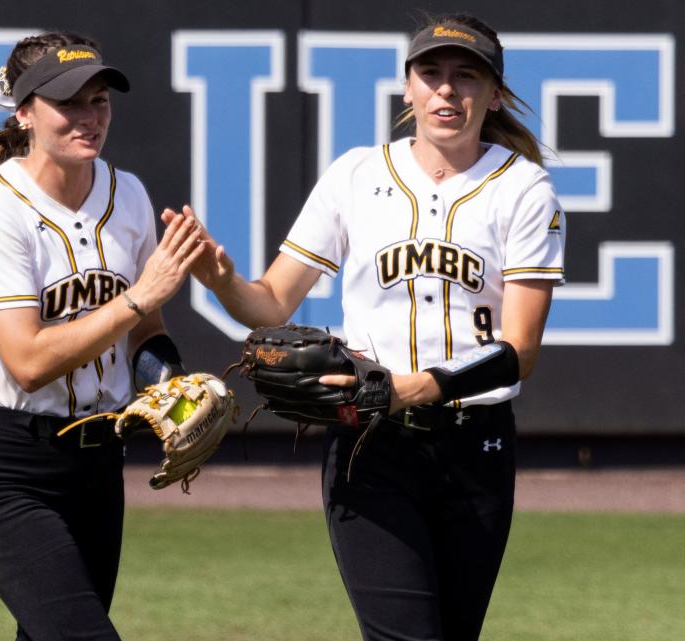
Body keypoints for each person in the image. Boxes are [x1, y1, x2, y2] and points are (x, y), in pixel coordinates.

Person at [170, 13, 565, 641]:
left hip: (477, 449)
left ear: (494, 94)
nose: (446, 90)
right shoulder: (357, 174)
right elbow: (272, 302)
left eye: (466, 77)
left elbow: (519, 351)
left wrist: (415, 387)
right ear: (406, 87)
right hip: (369, 446)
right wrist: (222, 282)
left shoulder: (523, 189)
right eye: (430, 73)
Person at [0, 31, 204, 641]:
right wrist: (136, 297)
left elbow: (145, 331)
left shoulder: (127, 194)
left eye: (99, 99)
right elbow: (26, 361)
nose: (89, 116)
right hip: (7, 466)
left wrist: (172, 387)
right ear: (24, 112)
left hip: (98, 463)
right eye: (68, 102)